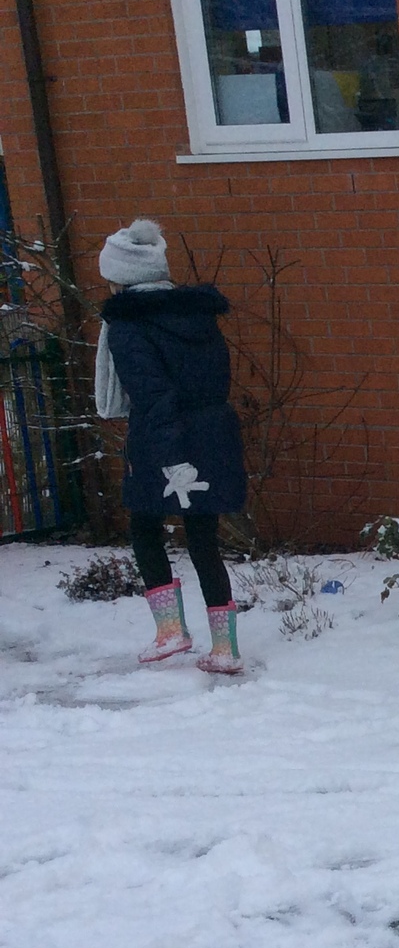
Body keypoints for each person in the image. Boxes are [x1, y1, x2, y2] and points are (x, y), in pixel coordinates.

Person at [95, 218, 248, 674]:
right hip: (213, 433)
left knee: (144, 527)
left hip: (162, 438)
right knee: (202, 537)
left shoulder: (128, 325)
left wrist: (171, 457)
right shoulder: (197, 315)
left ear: (121, 276)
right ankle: (225, 649)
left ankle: (170, 632)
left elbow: (152, 393)